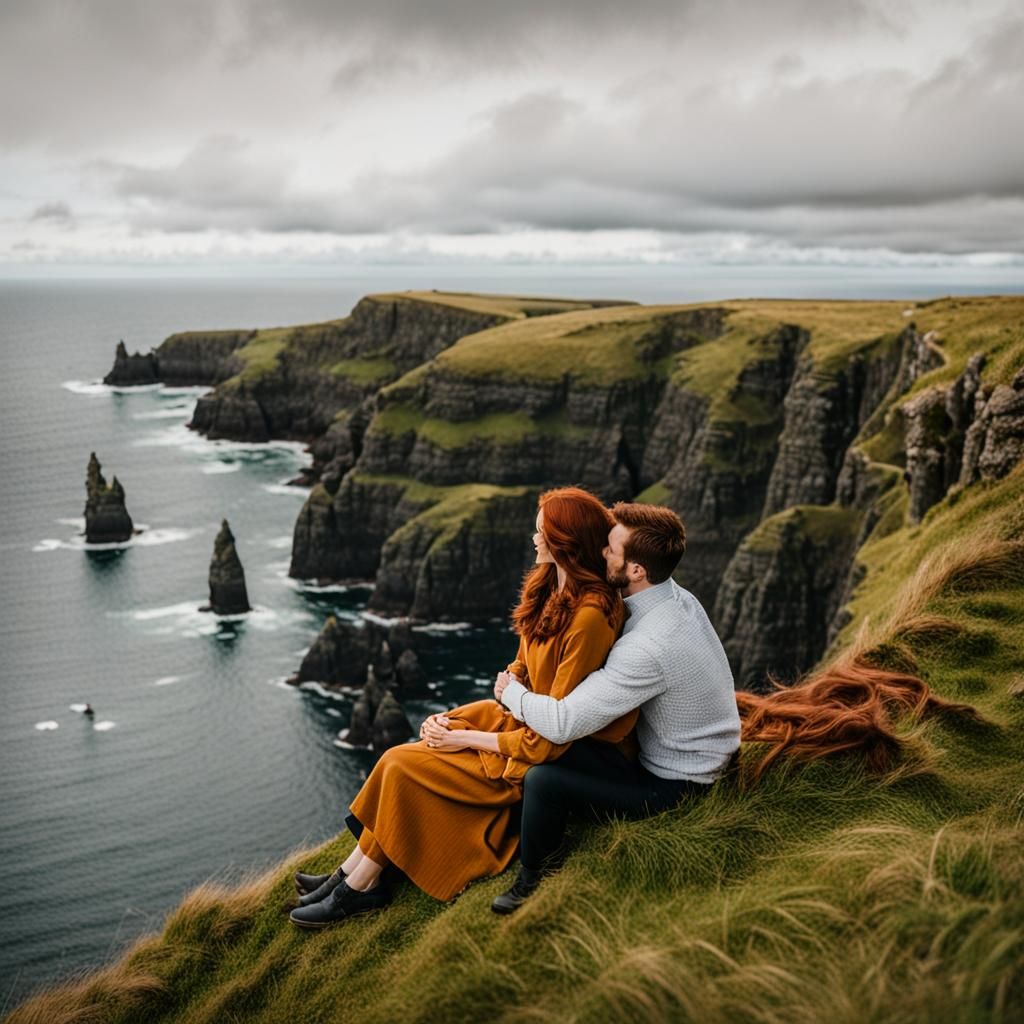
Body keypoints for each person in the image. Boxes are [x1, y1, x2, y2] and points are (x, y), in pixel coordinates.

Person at [289, 486, 638, 928]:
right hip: (515, 726)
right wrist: (459, 719)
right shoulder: (550, 587)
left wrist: (462, 737)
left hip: (536, 754)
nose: (533, 539)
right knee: (403, 756)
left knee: (400, 764)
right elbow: (522, 668)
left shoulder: (589, 618)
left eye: (541, 532)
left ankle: (360, 888)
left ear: (565, 543)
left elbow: (550, 734)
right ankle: (352, 875)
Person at [484, 501, 742, 913]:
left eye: (610, 548)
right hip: (707, 754)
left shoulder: (647, 646)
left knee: (544, 780)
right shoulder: (673, 597)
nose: (600, 551)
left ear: (637, 570)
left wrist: (511, 692)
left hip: (681, 787)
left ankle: (532, 879)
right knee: (553, 747)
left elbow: (563, 722)